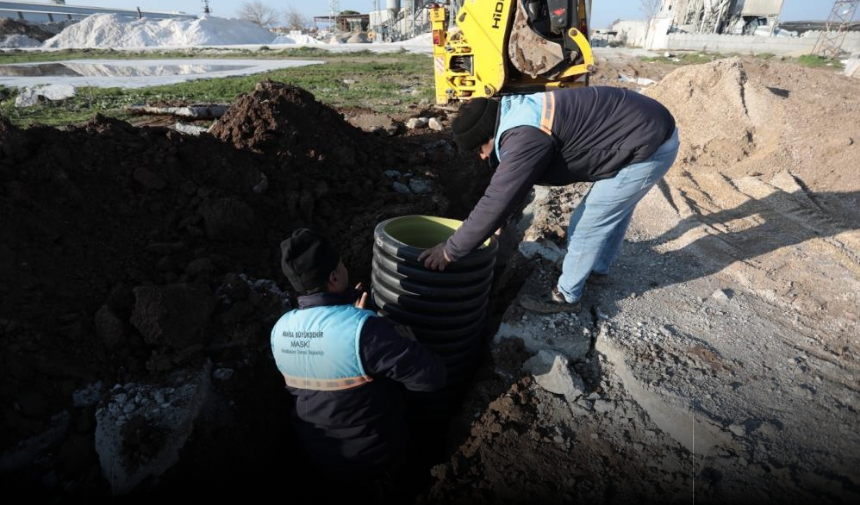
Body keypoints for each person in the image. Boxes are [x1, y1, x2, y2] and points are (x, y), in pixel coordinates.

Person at [418, 87, 679, 313]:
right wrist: (502, 222)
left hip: (649, 144)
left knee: (588, 222)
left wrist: (450, 250)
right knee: (610, 211)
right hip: (641, 129)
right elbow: (517, 185)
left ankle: (566, 296)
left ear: (488, 136)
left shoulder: (523, 137)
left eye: (479, 150)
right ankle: (596, 271)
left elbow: (498, 197)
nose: (482, 157)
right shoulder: (516, 112)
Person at [270, 229, 446, 501]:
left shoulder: (280, 329)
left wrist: (352, 315)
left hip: (323, 458)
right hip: (377, 465)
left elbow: (329, 348)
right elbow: (431, 378)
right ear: (334, 277)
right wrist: (392, 333)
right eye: (340, 264)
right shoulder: (366, 332)